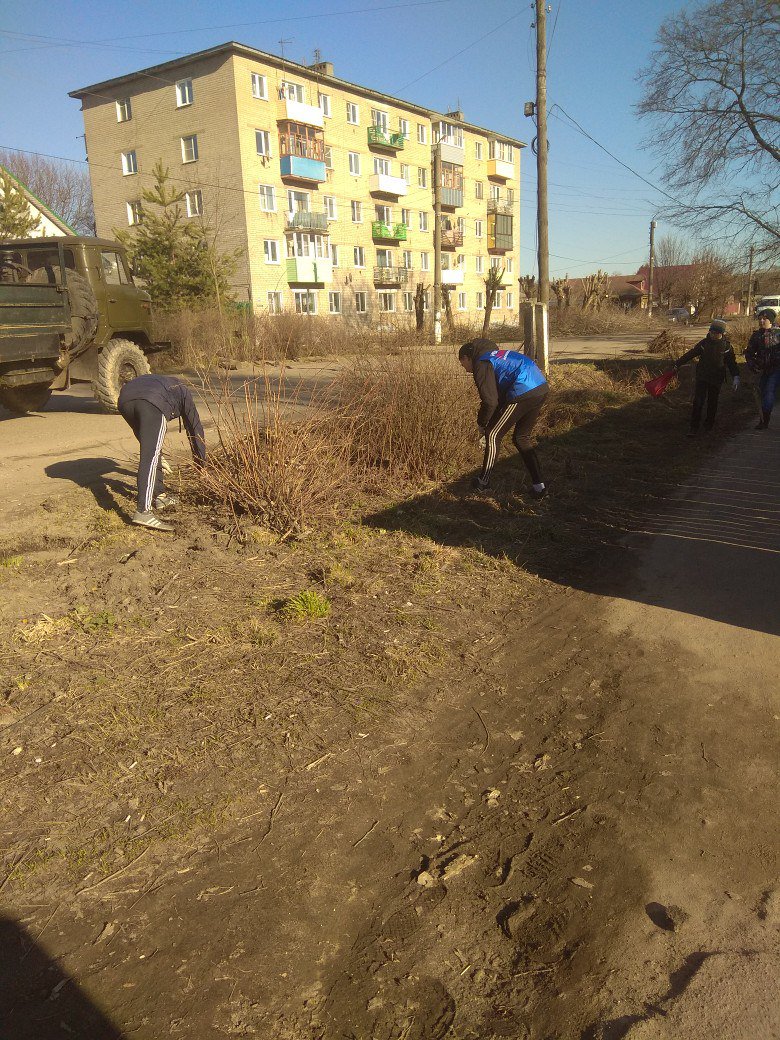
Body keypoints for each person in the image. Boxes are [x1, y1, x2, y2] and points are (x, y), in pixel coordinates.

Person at [458, 339, 549, 496]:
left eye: (462, 363)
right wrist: (488, 420)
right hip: (540, 387)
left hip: (522, 390)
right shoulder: (494, 356)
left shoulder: (482, 363)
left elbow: (490, 401)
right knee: (521, 438)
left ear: (467, 357)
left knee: (493, 435)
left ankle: (483, 483)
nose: (464, 368)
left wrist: (482, 423)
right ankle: (539, 487)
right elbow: (497, 398)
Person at [117, 374, 206, 531]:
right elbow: (195, 428)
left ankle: (159, 497)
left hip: (124, 400)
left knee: (151, 450)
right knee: (150, 456)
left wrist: (161, 456)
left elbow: (146, 438)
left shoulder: (162, 383)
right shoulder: (183, 391)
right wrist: (201, 465)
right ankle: (143, 511)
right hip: (152, 402)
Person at [673, 319, 740, 436]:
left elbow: (732, 363)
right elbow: (691, 354)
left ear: (722, 333)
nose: (713, 335)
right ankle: (694, 427)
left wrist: (736, 376)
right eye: (711, 332)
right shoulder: (704, 344)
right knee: (698, 401)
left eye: (716, 333)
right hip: (702, 376)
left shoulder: (727, 347)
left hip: (716, 378)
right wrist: (677, 363)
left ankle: (709, 425)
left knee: (712, 402)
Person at [745, 309, 780, 429]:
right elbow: (749, 353)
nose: (761, 321)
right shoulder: (757, 335)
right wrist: (752, 365)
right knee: (763, 392)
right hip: (763, 369)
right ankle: (764, 418)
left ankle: (764, 421)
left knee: (769, 391)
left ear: (771, 320)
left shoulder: (778, 334)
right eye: (759, 318)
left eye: (764, 318)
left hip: (776, 369)